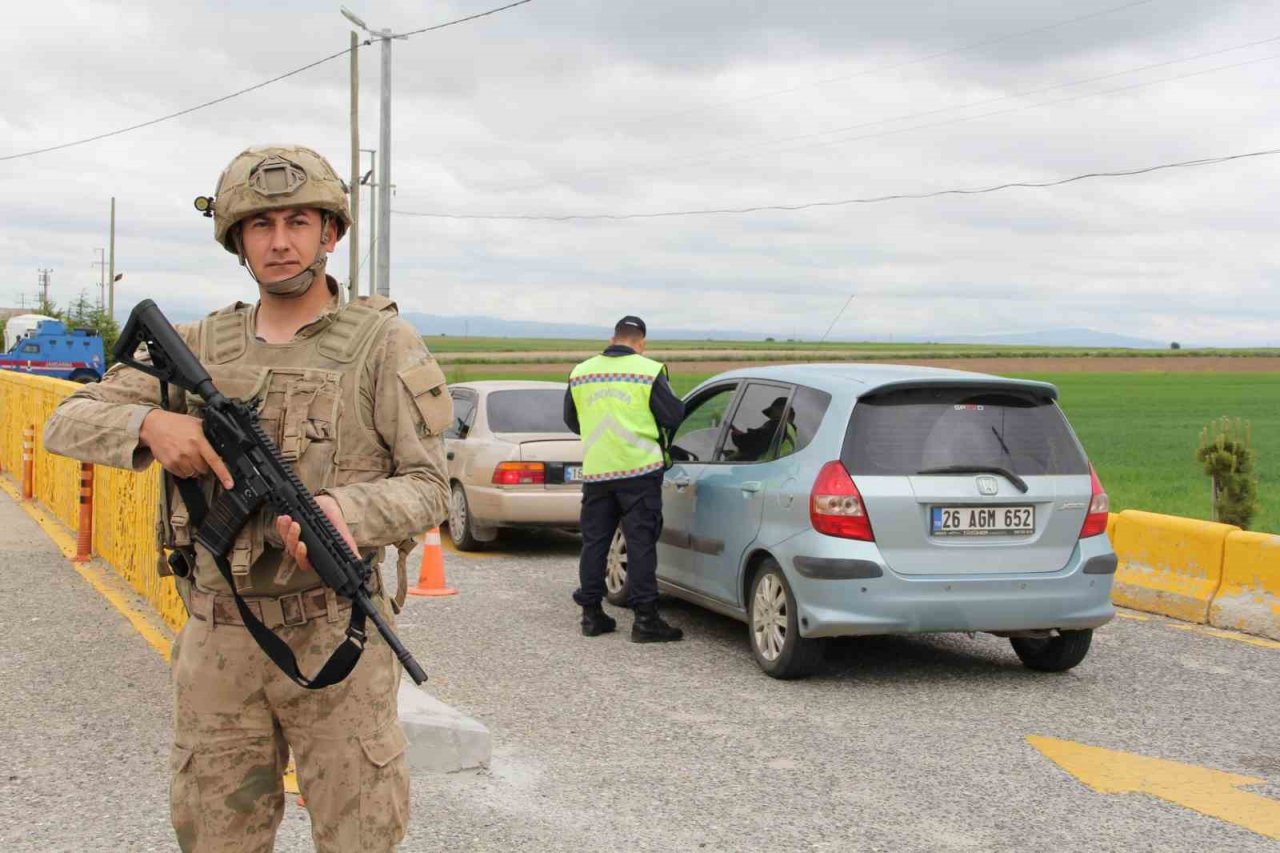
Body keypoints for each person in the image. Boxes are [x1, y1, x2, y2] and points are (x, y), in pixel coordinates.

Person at [44, 145, 452, 852]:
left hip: (335, 635)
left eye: (299, 221)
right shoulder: (200, 346)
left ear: (331, 233)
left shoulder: (382, 345)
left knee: (361, 834)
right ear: (236, 238)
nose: (281, 240)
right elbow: (65, 420)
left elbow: (428, 486)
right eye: (260, 225)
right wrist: (151, 422)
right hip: (218, 637)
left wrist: (343, 514)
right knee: (214, 837)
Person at [564, 316, 686, 642]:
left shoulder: (581, 372)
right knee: (640, 544)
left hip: (597, 471)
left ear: (613, 338)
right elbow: (674, 415)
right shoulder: (647, 370)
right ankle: (645, 620)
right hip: (639, 471)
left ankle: (591, 615)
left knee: (595, 543)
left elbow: (571, 420)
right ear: (640, 342)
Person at [727, 395, 796, 461]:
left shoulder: (778, 426)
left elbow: (752, 443)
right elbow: (762, 443)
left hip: (765, 470)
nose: (770, 417)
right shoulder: (791, 430)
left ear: (781, 410)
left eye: (772, 412)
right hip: (776, 469)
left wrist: (739, 436)